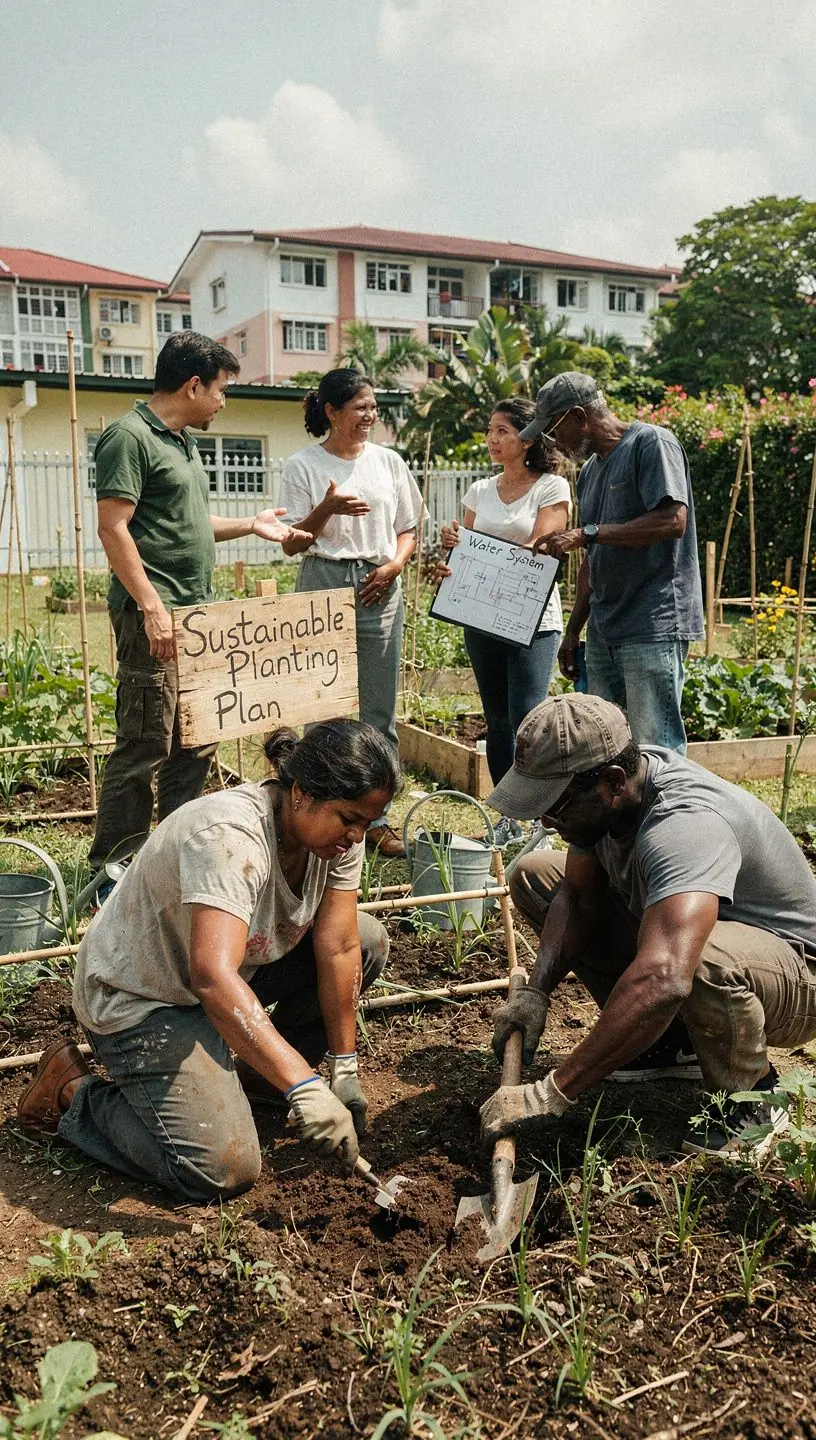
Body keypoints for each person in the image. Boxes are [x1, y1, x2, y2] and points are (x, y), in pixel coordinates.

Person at [18, 721, 400, 1201]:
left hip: (232, 971)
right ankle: (72, 1094)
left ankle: (261, 1080)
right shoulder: (230, 838)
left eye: (366, 822)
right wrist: (304, 1082)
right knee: (222, 1168)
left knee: (367, 939)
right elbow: (213, 978)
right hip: (144, 996)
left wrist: (343, 1066)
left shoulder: (339, 837)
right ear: (301, 792)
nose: (356, 835)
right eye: (349, 819)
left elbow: (340, 946)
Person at [480, 693, 816, 1156]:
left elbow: (665, 976)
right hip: (696, 943)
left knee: (692, 963)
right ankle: (670, 1046)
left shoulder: (683, 825)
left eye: (556, 807)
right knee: (535, 875)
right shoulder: (611, 795)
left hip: (795, 972)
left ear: (613, 782)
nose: (547, 819)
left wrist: (550, 1093)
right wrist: (536, 992)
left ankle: (752, 1097)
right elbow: (576, 898)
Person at [88, 332, 310, 875]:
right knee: (146, 741)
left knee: (198, 737)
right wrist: (151, 606)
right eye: (221, 391)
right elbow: (113, 528)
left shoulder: (181, 442)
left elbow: (186, 525)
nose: (223, 401)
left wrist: (250, 525)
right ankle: (112, 869)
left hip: (197, 616)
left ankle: (173, 855)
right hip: (158, 617)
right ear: (193, 385)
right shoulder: (129, 437)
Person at [278, 369, 423, 859]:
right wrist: (326, 508)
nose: (370, 416)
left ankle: (376, 819)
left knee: (377, 709)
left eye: (373, 407)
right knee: (321, 707)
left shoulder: (389, 462)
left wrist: (394, 565)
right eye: (360, 407)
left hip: (379, 586)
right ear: (331, 411)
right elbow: (293, 544)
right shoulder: (302, 465)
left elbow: (409, 527)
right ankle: (318, 816)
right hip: (322, 580)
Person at [521, 372, 703, 754]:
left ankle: (665, 815)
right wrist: (574, 631)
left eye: (553, 431)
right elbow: (594, 558)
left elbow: (673, 520)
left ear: (578, 417)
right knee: (609, 746)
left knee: (656, 747)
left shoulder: (650, 443)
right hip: (605, 630)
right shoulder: (591, 471)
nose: (553, 443)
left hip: (652, 623)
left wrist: (588, 532)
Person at [438, 398, 571, 847]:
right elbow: (467, 549)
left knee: (528, 721)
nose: (492, 439)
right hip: (481, 617)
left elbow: (542, 544)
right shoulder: (478, 490)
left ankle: (539, 820)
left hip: (533, 619)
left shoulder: (551, 488)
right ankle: (507, 816)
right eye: (490, 431)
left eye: (502, 431)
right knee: (496, 719)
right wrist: (453, 547)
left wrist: (479, 549)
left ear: (528, 438)